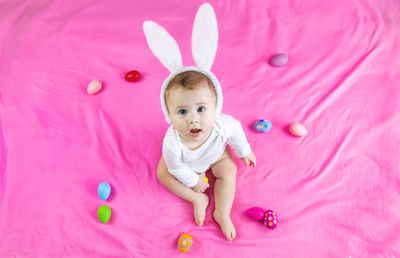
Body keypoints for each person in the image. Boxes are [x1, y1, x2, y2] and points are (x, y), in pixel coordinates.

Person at [156, 70, 256, 241]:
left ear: (215, 109)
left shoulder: (222, 124)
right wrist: (193, 182)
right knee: (163, 173)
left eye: (201, 109)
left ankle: (222, 213)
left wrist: (244, 152)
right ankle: (197, 199)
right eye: (182, 112)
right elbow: (176, 167)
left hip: (216, 156)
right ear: (169, 116)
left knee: (229, 170)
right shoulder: (172, 143)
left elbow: (236, 133)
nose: (193, 119)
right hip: (186, 165)